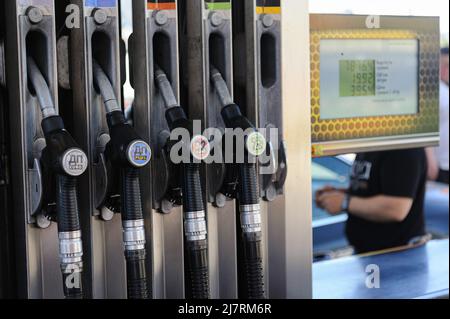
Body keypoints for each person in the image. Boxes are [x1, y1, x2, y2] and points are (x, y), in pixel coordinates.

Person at [316, 148, 427, 254]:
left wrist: (345, 202)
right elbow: (371, 189)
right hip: (371, 252)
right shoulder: (372, 142)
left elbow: (396, 208)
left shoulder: (401, 146)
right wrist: (336, 195)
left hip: (397, 254)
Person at [426, 47, 449, 184]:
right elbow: (425, 126)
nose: (445, 70)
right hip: (439, 165)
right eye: (442, 65)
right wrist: (430, 160)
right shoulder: (435, 89)